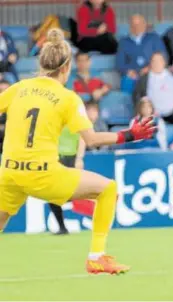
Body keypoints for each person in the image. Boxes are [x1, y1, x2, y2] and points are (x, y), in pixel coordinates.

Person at [0, 29, 155, 274]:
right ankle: (96, 257)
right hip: (44, 174)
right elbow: (91, 139)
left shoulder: (18, 88)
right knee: (108, 188)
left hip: (9, 172)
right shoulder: (67, 98)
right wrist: (129, 134)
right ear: (67, 66)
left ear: (41, 63)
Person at [133, 52, 173, 125]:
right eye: (154, 61)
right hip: (153, 114)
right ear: (150, 63)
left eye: (159, 60)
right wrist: (145, 108)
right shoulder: (144, 79)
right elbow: (136, 96)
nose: (157, 63)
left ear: (164, 62)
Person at [116, 14, 168, 93]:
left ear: (144, 25)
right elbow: (119, 63)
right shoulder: (123, 42)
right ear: (130, 26)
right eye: (133, 24)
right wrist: (128, 71)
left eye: (139, 24)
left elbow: (164, 57)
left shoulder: (154, 38)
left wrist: (150, 68)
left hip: (152, 72)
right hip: (132, 75)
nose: (136, 27)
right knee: (126, 82)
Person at [50, 126, 86, 235]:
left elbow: (82, 138)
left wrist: (79, 158)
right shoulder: (52, 116)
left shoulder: (74, 116)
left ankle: (100, 218)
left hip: (71, 158)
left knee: (76, 191)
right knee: (52, 195)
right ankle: (62, 227)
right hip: (55, 159)